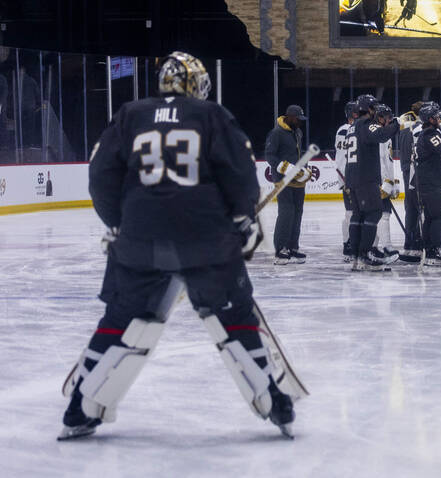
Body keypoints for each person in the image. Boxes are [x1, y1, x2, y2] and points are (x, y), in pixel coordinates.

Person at [60, 51, 295, 440]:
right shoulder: (212, 115)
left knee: (121, 319)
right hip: (206, 237)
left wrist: (120, 223)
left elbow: (100, 175)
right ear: (196, 83)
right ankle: (274, 399)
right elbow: (240, 175)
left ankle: (78, 409)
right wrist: (243, 219)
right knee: (234, 316)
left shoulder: (130, 114)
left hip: (140, 236)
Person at [345, 94, 400, 271]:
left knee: (357, 215)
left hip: (352, 177)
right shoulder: (367, 125)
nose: (376, 111)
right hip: (365, 177)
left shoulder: (352, 128)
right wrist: (397, 124)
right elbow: (382, 135)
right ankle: (365, 253)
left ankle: (355, 255)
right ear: (368, 109)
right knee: (374, 212)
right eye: (374, 108)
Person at [263, 104, 310, 265]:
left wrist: (304, 169)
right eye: (298, 119)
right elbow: (269, 155)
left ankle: (292, 248)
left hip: (297, 181)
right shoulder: (276, 133)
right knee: (286, 212)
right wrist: (283, 166)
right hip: (282, 180)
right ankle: (280, 249)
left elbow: (298, 153)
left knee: (297, 213)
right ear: (290, 117)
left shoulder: (298, 132)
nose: (300, 122)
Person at [415, 103, 441, 266]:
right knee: (440, 215)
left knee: (430, 216)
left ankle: (429, 249)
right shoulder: (430, 133)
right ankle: (434, 250)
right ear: (430, 119)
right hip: (431, 182)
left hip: (425, 182)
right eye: (436, 117)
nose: (439, 119)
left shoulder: (424, 133)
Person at [369, 104, 402, 264]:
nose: (390, 120)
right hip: (379, 183)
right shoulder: (376, 134)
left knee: (380, 215)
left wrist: (393, 181)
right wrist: (383, 183)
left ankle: (373, 247)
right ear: (380, 118)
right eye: (387, 117)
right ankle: (386, 246)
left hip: (384, 183)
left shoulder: (385, 136)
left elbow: (388, 162)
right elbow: (378, 162)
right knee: (383, 215)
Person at [396, 102, 424, 260]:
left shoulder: (404, 124)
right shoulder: (418, 127)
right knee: (419, 206)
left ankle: (409, 242)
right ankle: (418, 242)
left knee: (410, 205)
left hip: (406, 168)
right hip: (416, 169)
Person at [335, 101, 358, 262]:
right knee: (350, 213)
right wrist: (345, 179)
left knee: (356, 213)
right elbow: (343, 158)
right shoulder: (344, 131)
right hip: (349, 178)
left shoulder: (354, 130)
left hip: (356, 178)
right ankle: (348, 245)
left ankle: (355, 243)